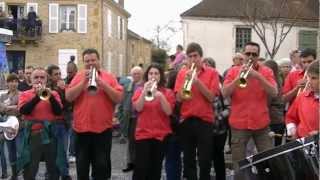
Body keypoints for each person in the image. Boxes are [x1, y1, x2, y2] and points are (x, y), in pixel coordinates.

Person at [65, 48, 123, 180]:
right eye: (87, 61)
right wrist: (84, 82)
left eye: (93, 60)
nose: (90, 63)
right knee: (82, 168)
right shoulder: (79, 76)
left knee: (102, 168)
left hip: (103, 130)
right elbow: (68, 97)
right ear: (83, 62)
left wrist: (102, 84)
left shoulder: (109, 77)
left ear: (99, 60)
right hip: (81, 129)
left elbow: (119, 98)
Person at [222, 42, 277, 179]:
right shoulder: (233, 71)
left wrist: (257, 76)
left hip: (261, 124)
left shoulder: (266, 71)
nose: (251, 57)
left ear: (258, 56)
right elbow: (224, 93)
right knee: (239, 166)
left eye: (254, 54)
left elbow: (274, 92)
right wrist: (238, 78)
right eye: (248, 54)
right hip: (239, 124)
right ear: (243, 54)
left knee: (269, 162)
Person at [174, 42, 220, 180]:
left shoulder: (212, 73)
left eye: (195, 56)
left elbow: (212, 97)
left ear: (201, 57)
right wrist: (186, 83)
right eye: (190, 57)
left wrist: (197, 82)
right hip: (187, 120)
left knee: (205, 159)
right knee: (188, 159)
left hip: (205, 121)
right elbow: (178, 98)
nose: (193, 59)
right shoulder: (182, 73)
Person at [18, 67, 63, 180]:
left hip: (50, 135)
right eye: (36, 77)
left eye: (42, 77)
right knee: (30, 168)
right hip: (33, 135)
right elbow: (24, 111)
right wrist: (38, 97)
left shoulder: (54, 94)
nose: (39, 80)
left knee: (53, 167)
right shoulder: (25, 94)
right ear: (31, 80)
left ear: (46, 80)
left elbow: (58, 111)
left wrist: (49, 95)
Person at [131, 63, 175, 180]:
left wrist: (160, 96)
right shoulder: (140, 90)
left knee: (155, 169)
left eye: (156, 73)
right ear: (147, 75)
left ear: (160, 76)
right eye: (151, 73)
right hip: (143, 134)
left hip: (160, 135)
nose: (153, 76)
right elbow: (138, 108)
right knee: (140, 168)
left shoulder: (167, 92)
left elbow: (169, 112)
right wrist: (143, 93)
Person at [46, 65, 72, 180]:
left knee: (63, 150)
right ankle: (51, 174)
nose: (59, 76)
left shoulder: (63, 87)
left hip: (63, 123)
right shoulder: (46, 88)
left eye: (60, 74)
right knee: (51, 151)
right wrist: (59, 90)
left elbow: (68, 104)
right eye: (56, 74)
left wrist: (63, 90)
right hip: (50, 123)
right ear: (50, 76)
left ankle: (65, 174)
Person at [118, 66, 143, 172]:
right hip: (130, 117)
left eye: (138, 73)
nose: (136, 75)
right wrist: (120, 115)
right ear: (131, 75)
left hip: (141, 117)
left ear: (142, 74)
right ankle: (130, 162)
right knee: (131, 142)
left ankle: (140, 162)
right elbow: (122, 101)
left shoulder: (145, 86)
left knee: (141, 141)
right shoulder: (127, 85)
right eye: (134, 74)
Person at [286, 60, 319, 138]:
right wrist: (292, 129)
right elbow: (290, 117)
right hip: (303, 144)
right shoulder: (302, 97)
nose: (309, 81)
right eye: (308, 77)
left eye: (314, 78)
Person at [0, 73, 20, 180]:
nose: (14, 83)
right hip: (7, 128)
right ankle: (14, 174)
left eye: (16, 81)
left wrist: (7, 107)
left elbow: (19, 109)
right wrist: (12, 107)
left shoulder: (22, 94)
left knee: (21, 151)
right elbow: (1, 109)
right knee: (11, 152)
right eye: (11, 81)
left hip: (19, 127)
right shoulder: (3, 96)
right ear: (7, 83)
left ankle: (24, 171)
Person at [264, 60, 285, 146]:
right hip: (279, 118)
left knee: (270, 147)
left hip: (271, 118)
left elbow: (267, 102)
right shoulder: (279, 80)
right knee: (277, 145)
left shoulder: (271, 82)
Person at [64, 59, 78, 163]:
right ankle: (67, 153)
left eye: (70, 72)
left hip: (75, 111)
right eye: (67, 71)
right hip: (66, 111)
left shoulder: (77, 80)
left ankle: (72, 153)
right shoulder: (65, 80)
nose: (68, 74)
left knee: (73, 133)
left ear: (75, 71)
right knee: (67, 134)